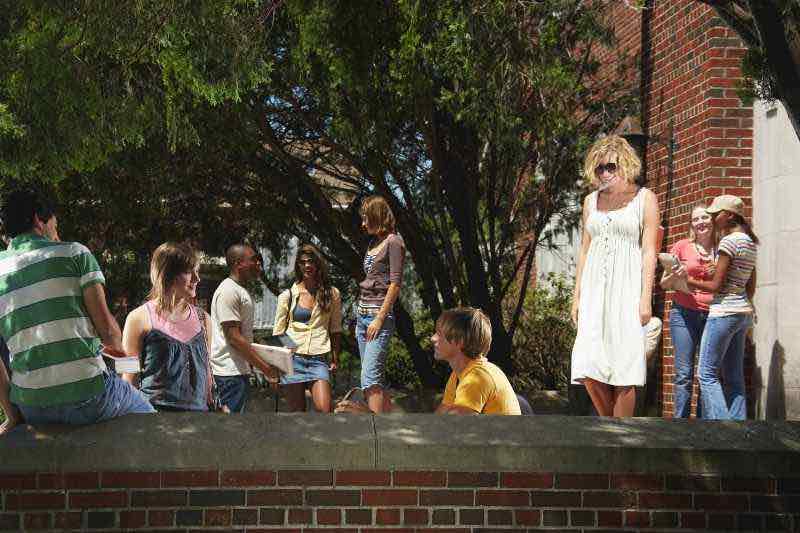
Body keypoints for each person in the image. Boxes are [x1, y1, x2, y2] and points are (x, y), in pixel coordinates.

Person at [0, 189, 154, 435]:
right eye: (54, 224)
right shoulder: (74, 254)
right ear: (39, 220)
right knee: (150, 417)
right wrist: (128, 364)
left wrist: (12, 415)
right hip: (88, 398)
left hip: (32, 407)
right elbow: (109, 334)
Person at [570, 135, 660, 417]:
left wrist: (645, 299)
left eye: (610, 167)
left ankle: (621, 439)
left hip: (627, 290)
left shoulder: (645, 199)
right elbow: (584, 250)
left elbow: (649, 252)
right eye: (599, 169)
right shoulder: (590, 202)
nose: (605, 174)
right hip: (595, 289)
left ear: (625, 165)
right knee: (587, 365)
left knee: (624, 366)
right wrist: (577, 295)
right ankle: (611, 428)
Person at [678, 195, 757, 420]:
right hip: (742, 313)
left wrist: (685, 279)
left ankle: (722, 429)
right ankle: (739, 433)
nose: (712, 218)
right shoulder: (749, 242)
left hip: (723, 313)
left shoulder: (728, 242)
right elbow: (749, 283)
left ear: (729, 215)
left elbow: (714, 286)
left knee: (707, 374)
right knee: (734, 377)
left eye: (715, 214)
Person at [122, 242, 213, 411]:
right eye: (188, 271)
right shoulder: (137, 319)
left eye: (197, 271)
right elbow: (128, 378)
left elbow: (207, 376)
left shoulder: (204, 320)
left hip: (200, 423)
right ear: (167, 274)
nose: (197, 278)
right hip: (154, 422)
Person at [660, 204, 716, 418]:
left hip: (713, 315)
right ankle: (679, 426)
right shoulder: (682, 246)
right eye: (696, 219)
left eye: (704, 217)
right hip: (683, 313)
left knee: (706, 373)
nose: (701, 222)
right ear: (691, 224)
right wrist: (677, 273)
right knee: (684, 374)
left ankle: (703, 426)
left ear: (711, 221)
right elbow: (664, 284)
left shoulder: (721, 248)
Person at [209, 244, 278, 413]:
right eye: (253, 260)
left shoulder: (239, 290)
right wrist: (266, 368)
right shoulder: (228, 291)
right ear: (239, 263)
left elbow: (243, 336)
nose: (258, 265)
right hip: (229, 374)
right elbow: (234, 338)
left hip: (238, 372)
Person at [273, 244, 342, 412]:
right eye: (302, 262)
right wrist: (284, 357)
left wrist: (335, 357)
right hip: (292, 360)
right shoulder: (287, 295)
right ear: (298, 266)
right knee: (297, 416)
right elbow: (278, 332)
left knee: (325, 410)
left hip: (318, 359)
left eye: (311, 261)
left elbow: (335, 329)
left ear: (318, 264)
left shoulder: (332, 294)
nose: (307, 266)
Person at [355, 196, 405, 413]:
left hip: (378, 318)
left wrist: (379, 318)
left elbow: (395, 284)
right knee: (374, 380)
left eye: (366, 218)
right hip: (362, 316)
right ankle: (393, 423)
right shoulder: (373, 242)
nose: (363, 224)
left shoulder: (394, 241)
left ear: (377, 216)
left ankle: (374, 430)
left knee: (369, 378)